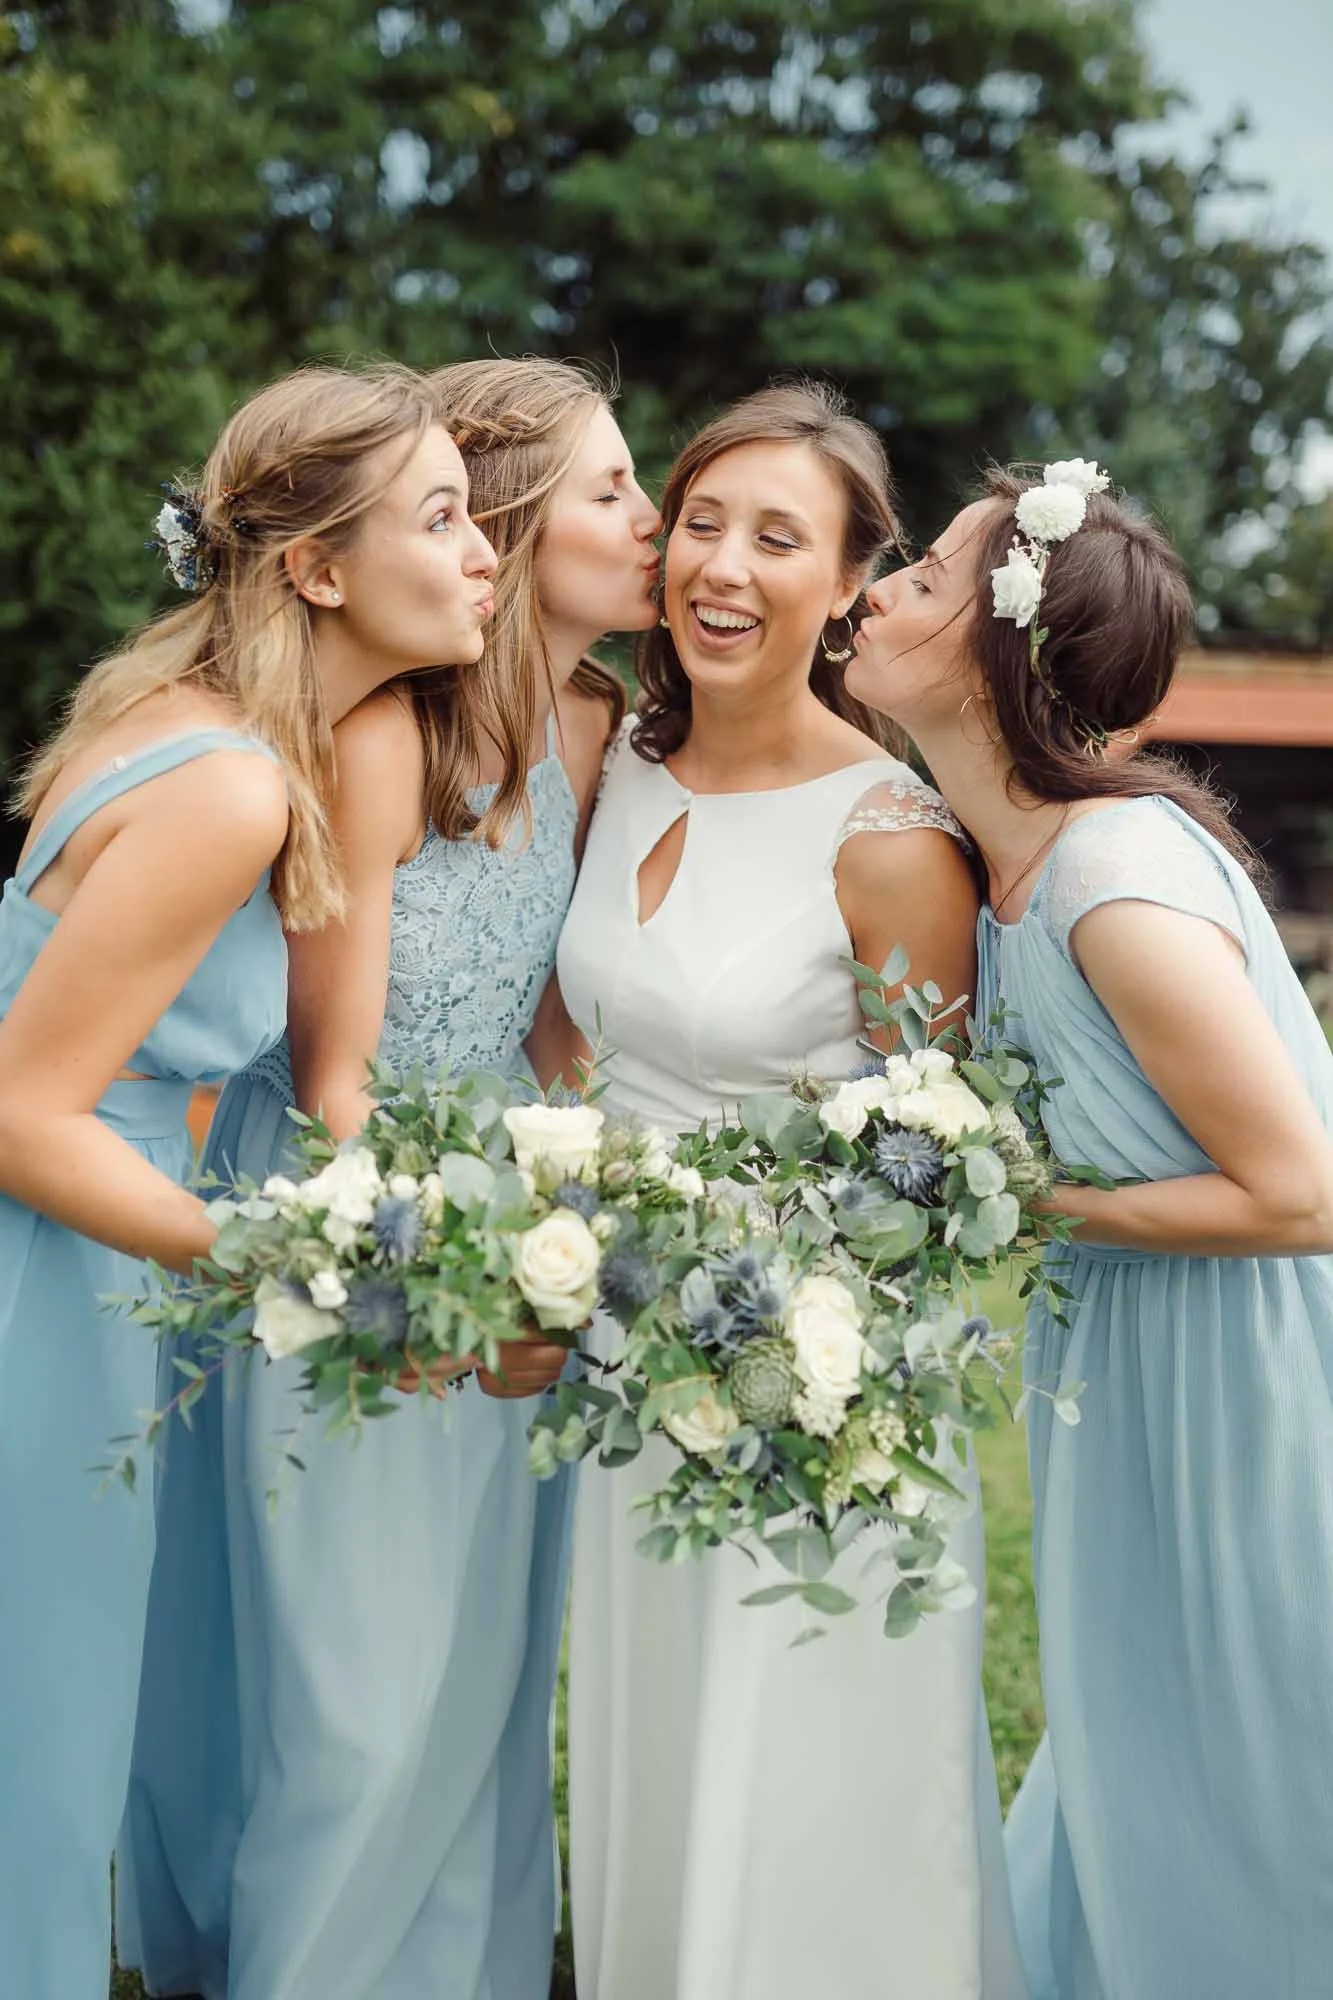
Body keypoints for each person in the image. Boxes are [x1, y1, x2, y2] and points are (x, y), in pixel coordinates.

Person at [119, 356, 662, 2000]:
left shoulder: (597, 726)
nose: (652, 521)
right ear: (511, 521)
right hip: (357, 1217)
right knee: (352, 1685)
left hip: (511, 1214)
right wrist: (444, 1265)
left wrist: (580, 1229)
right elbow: (333, 1077)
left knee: (480, 1664)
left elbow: (555, 1034)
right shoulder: (381, 740)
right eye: (614, 491)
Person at [0, 361, 479, 1999]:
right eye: (441, 515)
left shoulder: (192, 730)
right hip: (51, 1272)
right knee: (38, 1766)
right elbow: (24, 1112)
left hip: (82, 1251)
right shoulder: (228, 786)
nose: (479, 548)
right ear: (318, 569)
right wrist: (300, 1267)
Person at [556, 382, 1026, 2000]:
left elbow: (931, 1157)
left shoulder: (889, 835)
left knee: (807, 1767)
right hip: (626, 1350)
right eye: (700, 522)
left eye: (778, 538)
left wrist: (784, 1337)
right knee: (660, 1743)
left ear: (845, 585)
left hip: (809, 1379)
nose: (724, 567)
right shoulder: (616, 761)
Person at [845, 459, 1333, 1998]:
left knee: (1248, 1739)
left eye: (927, 577)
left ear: (1003, 652)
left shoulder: (1113, 883)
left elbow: (1303, 1194)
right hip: (1124, 1342)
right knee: (1142, 1722)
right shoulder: (994, 866)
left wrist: (1010, 1198)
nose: (880, 591)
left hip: (1242, 1370)